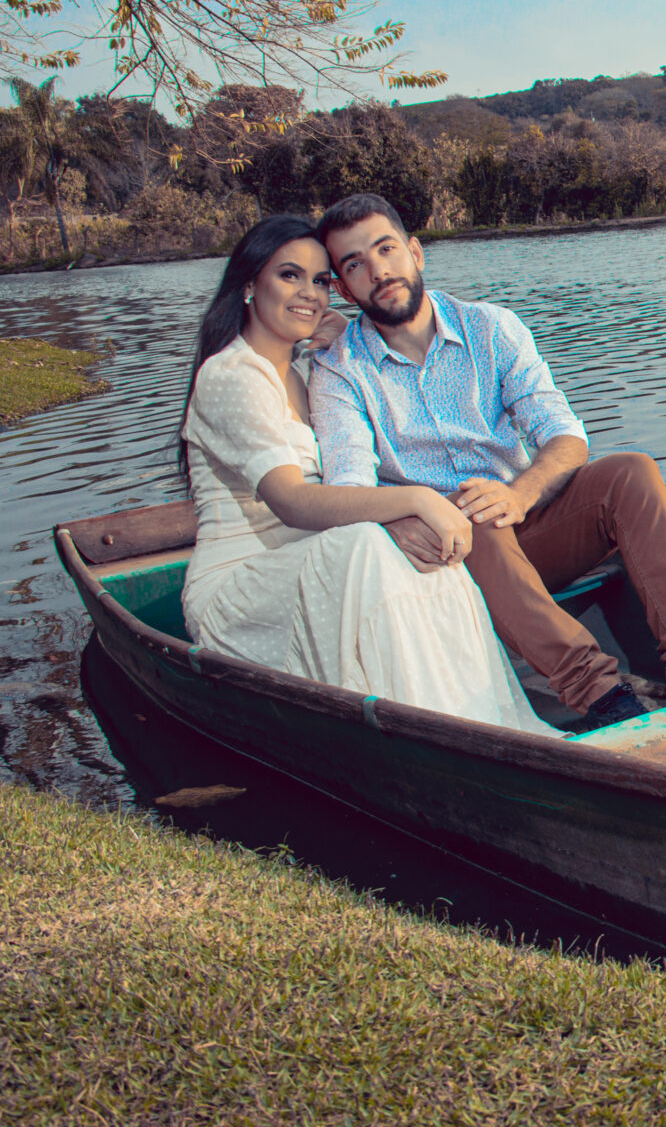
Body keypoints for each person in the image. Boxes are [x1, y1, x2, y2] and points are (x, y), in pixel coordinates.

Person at [307, 193, 666, 729]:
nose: (378, 270)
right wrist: (405, 515)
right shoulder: (339, 371)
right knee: (470, 517)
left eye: (386, 249)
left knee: (631, 471)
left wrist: (520, 493)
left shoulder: (491, 328)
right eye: (354, 264)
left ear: (415, 253)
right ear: (345, 289)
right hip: (448, 560)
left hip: (528, 524)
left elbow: (564, 435)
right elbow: (348, 485)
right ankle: (603, 696)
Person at [179, 215, 557, 737]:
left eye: (319, 281)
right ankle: (435, 734)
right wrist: (417, 500)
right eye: (290, 276)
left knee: (423, 553)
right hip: (242, 591)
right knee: (373, 546)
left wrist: (332, 343)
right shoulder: (229, 376)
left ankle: (477, 724)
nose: (309, 294)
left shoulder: (303, 370)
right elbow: (291, 502)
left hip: (312, 557)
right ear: (248, 285)